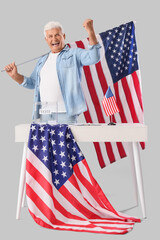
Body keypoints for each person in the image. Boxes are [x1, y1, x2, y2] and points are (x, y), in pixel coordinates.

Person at [4, 19, 101, 124]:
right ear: (46, 40)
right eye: (50, 36)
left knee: (65, 141)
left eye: (57, 35)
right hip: (44, 114)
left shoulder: (74, 54)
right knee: (44, 141)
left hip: (65, 114)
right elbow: (33, 83)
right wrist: (15, 76)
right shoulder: (42, 61)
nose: (54, 39)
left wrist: (90, 31)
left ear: (63, 36)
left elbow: (94, 57)